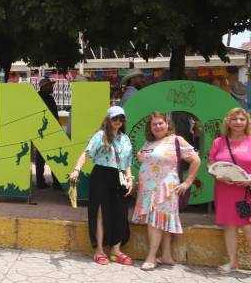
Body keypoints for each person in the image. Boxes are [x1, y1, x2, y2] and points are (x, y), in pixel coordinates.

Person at [132, 112, 200, 270]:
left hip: (165, 189)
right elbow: (145, 161)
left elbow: (195, 160)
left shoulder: (176, 140)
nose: (157, 126)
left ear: (167, 124)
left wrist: (188, 182)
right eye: (154, 124)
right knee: (161, 221)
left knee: (155, 222)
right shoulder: (149, 143)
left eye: (160, 123)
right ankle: (166, 255)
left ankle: (151, 257)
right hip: (148, 190)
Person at [69, 106, 134, 265]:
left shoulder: (125, 138)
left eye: (121, 119)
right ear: (108, 120)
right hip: (101, 175)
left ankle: (116, 250)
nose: (118, 122)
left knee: (120, 212)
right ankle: (99, 250)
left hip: (119, 177)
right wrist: (77, 169)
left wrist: (130, 178)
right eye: (114, 118)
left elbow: (127, 162)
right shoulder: (100, 136)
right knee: (100, 213)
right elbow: (86, 153)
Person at [208, 107, 251, 273]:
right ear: (228, 122)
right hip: (224, 190)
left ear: (247, 122)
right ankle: (232, 262)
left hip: (245, 192)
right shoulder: (219, 142)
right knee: (229, 226)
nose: (238, 122)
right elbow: (210, 163)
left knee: (248, 226)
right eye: (234, 119)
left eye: (242, 119)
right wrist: (216, 175)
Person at [35, 78, 62, 190]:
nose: (52, 87)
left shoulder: (36, 97)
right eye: (50, 85)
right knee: (54, 156)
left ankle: (40, 182)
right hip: (50, 131)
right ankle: (57, 182)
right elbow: (54, 117)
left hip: (40, 131)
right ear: (44, 86)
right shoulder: (49, 98)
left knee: (40, 158)